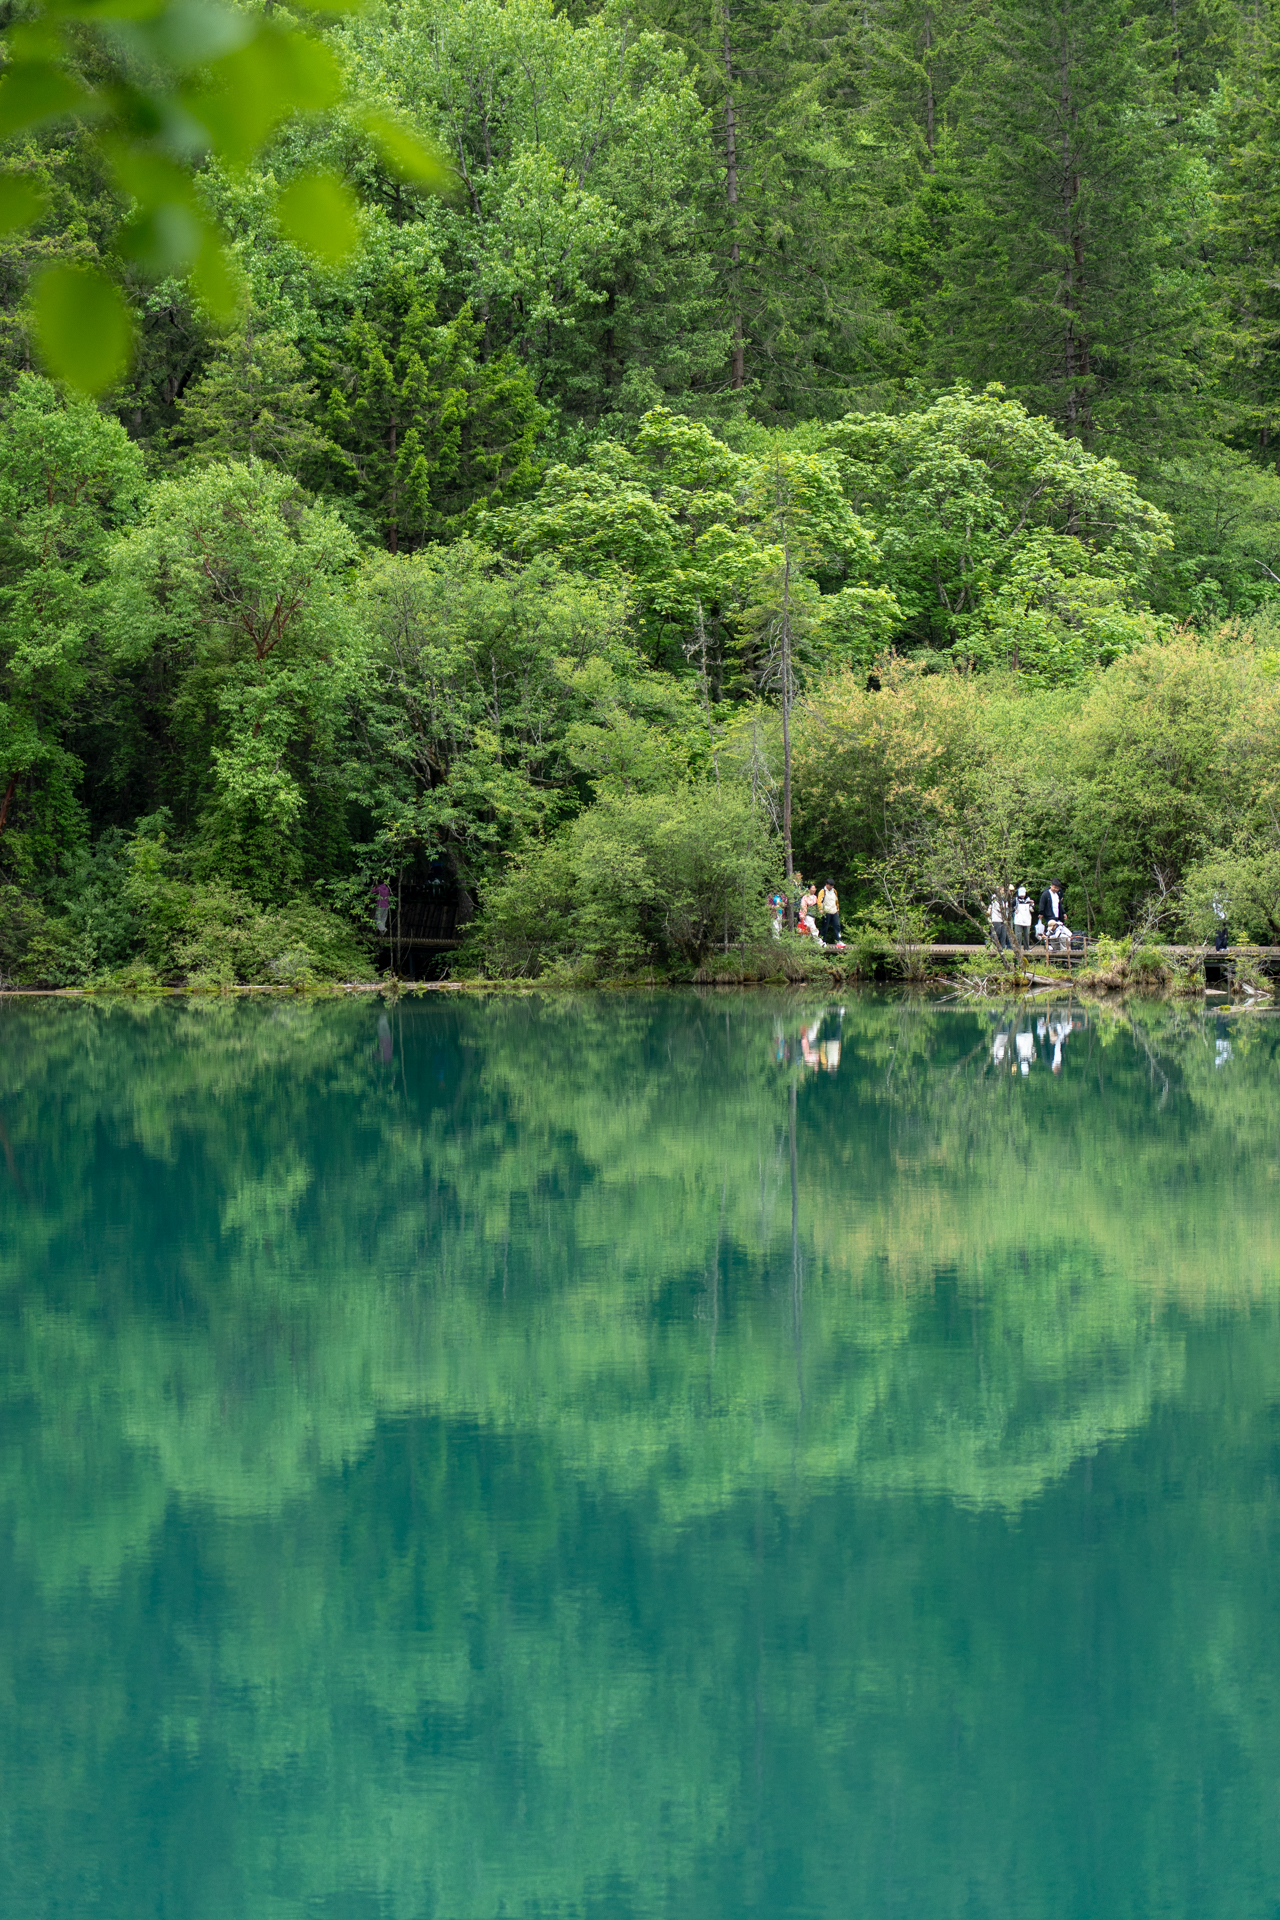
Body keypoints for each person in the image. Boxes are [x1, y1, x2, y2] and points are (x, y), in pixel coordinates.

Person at [819, 879, 842, 947]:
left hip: (834, 911)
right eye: (830, 886)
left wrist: (837, 909)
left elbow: (836, 901)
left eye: (832, 886)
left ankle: (839, 941)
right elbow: (819, 901)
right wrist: (820, 909)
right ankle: (823, 942)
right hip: (826, 912)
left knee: (837, 926)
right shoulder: (823, 891)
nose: (831, 887)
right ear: (826, 884)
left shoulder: (834, 891)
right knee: (825, 927)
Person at [1012, 885, 1033, 951]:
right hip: (1018, 920)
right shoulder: (1015, 900)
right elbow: (1010, 907)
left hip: (1027, 920)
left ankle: (1027, 948)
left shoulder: (1028, 900)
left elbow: (1032, 910)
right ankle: (1018, 948)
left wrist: (1032, 905)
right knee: (1018, 935)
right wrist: (1014, 910)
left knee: (1026, 935)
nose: (1022, 896)